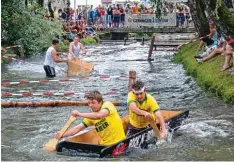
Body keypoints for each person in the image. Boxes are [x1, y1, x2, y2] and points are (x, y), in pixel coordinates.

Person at [56, 90, 126, 146]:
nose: (90, 105)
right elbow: (77, 128)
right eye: (89, 103)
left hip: (119, 143)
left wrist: (79, 114)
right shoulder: (91, 117)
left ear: (100, 102)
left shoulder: (108, 105)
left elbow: (99, 115)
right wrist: (62, 135)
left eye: (93, 102)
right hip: (104, 145)